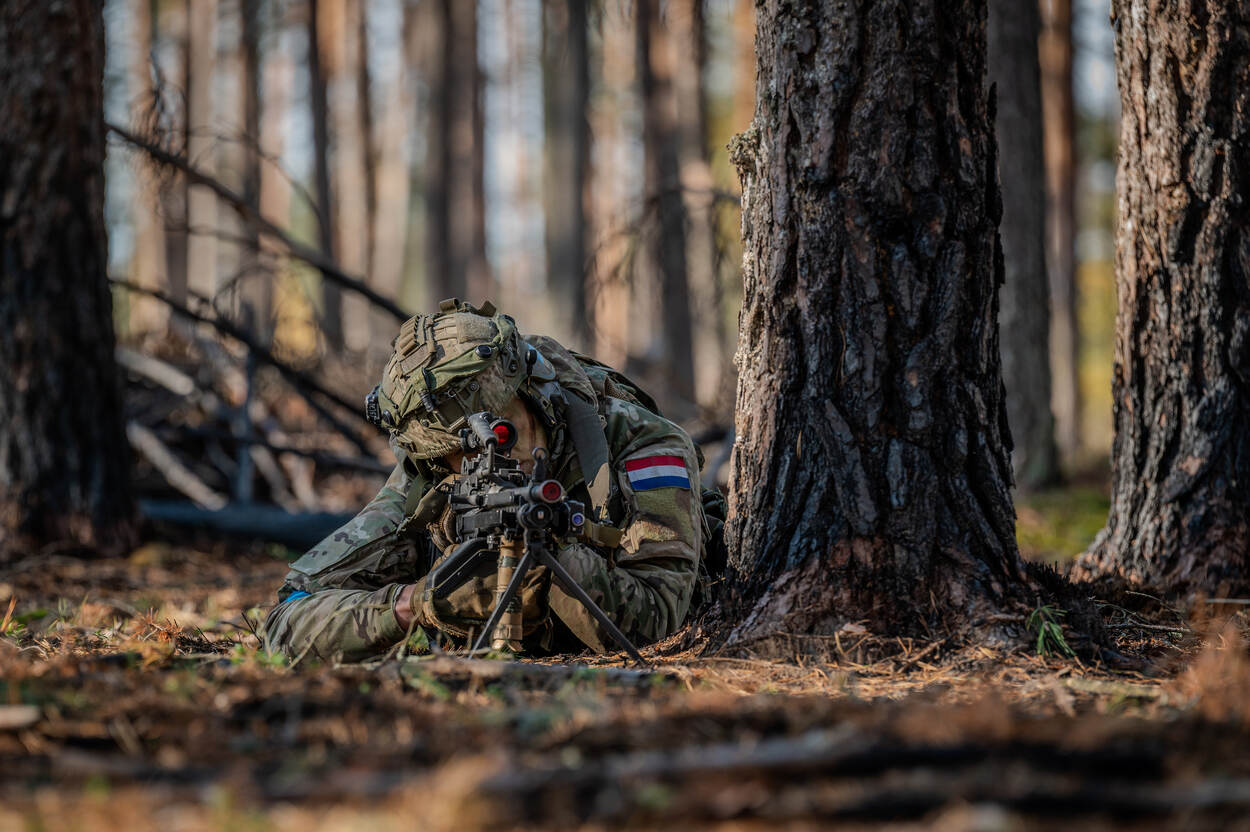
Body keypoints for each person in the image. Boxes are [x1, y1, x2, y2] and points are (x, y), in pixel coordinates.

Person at [262, 299, 707, 664]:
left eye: (501, 434)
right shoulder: (432, 477)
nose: (486, 464)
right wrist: (413, 605)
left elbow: (661, 622)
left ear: (530, 390)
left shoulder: (638, 442)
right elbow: (289, 614)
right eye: (461, 457)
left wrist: (552, 559)